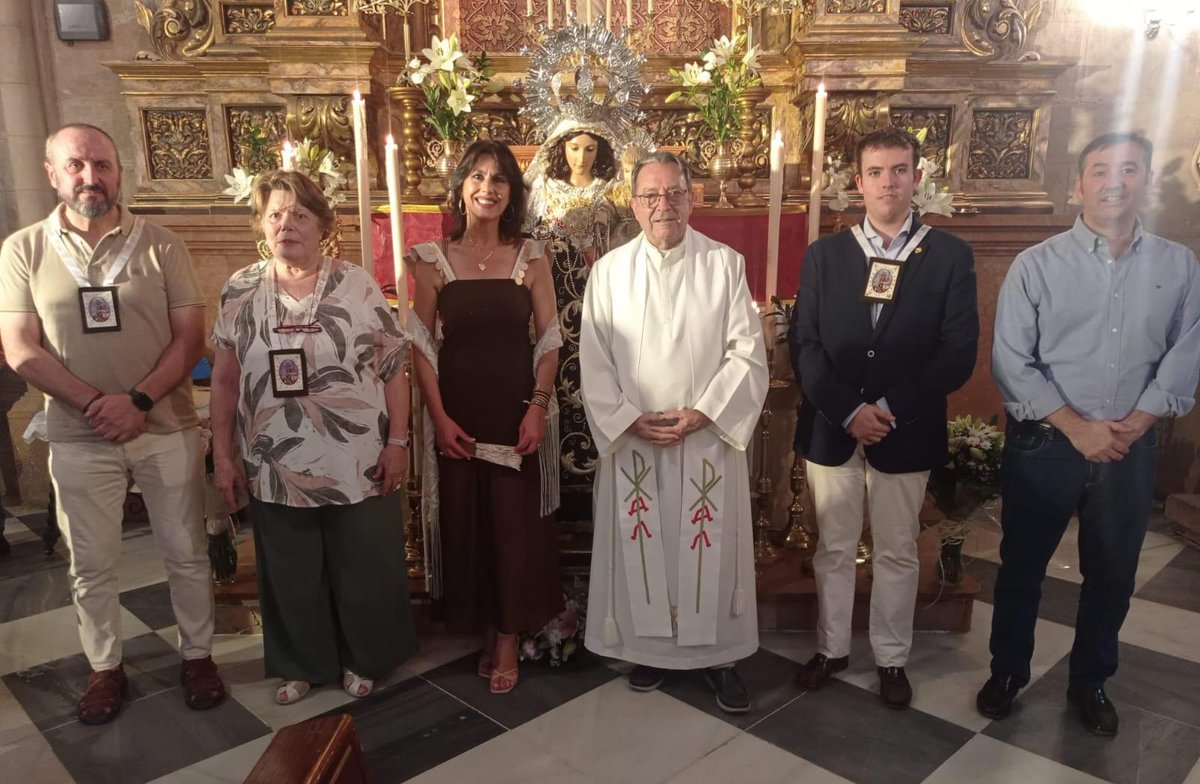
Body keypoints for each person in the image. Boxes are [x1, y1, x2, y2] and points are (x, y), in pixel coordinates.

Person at [0, 123, 225, 724]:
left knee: (185, 550)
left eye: (101, 164)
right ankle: (104, 667)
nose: (90, 177)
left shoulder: (161, 243)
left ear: (119, 170)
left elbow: (189, 337)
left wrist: (139, 401)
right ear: (52, 173)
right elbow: (20, 348)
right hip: (78, 435)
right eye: (75, 165)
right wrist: (96, 403)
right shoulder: (23, 249)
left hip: (166, 425)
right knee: (91, 560)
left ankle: (197, 654)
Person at [980, 132, 1200, 736]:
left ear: (1146, 180)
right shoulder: (1036, 264)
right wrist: (1077, 428)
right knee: (1022, 566)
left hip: (1129, 446)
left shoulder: (1179, 265)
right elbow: (1011, 360)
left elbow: (1186, 352)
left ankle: (1091, 681)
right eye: (1100, 170)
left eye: (1129, 170)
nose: (1113, 182)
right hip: (1046, 444)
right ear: (1078, 184)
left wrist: (1138, 421)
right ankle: (1007, 672)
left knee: (1112, 573)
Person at [209, 170, 417, 705]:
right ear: (260, 223)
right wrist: (224, 455)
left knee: (363, 562)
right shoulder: (239, 289)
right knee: (289, 566)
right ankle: (302, 663)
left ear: (323, 226)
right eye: (275, 214)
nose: (286, 224)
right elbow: (226, 379)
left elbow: (394, 367)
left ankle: (365, 657)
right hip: (274, 455)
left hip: (356, 454)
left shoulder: (357, 283)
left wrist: (398, 443)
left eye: (299, 214)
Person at [788, 127, 979, 710]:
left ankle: (892, 658)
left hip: (908, 426)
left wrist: (887, 409)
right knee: (834, 546)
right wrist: (848, 410)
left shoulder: (948, 255)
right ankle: (831, 647)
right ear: (858, 182)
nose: (888, 182)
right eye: (875, 172)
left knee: (897, 550)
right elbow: (806, 344)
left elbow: (956, 351)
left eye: (900, 170)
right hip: (832, 426)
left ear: (918, 177)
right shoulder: (826, 254)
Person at [580, 152, 768, 714]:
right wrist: (626, 418)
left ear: (694, 197)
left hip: (706, 437)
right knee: (645, 540)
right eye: (651, 196)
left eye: (675, 193)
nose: (664, 205)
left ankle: (719, 657)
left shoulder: (725, 265)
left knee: (706, 544)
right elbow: (594, 360)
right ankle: (649, 651)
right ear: (633, 204)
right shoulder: (608, 272)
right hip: (636, 438)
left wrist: (707, 411)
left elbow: (746, 351)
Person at [409, 140, 563, 695]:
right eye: (477, 176)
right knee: (470, 524)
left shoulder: (532, 255)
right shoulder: (430, 259)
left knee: (514, 529)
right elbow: (421, 345)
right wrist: (437, 416)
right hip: (458, 413)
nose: (488, 187)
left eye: (499, 179)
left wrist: (539, 407)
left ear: (512, 193)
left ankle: (506, 638)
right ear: (460, 187)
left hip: (516, 411)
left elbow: (548, 339)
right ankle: (487, 627)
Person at [525, 120, 621, 515]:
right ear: (560, 149)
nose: (581, 157)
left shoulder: (610, 192)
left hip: (600, 308)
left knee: (598, 385)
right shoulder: (543, 193)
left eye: (590, 149)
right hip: (554, 303)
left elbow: (621, 247)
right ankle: (557, 496)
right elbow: (530, 248)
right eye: (574, 147)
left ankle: (600, 494)